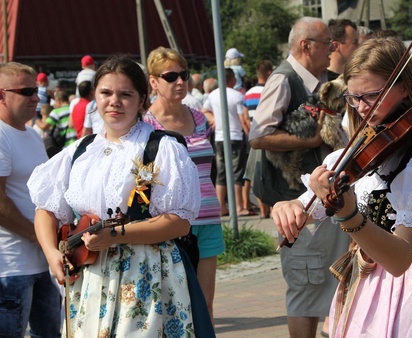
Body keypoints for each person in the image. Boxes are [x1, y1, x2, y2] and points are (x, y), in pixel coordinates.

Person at [272, 36, 412, 337]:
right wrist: (289, 206)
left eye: (372, 95)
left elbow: (400, 258)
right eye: (353, 97)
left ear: (403, 88)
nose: (361, 107)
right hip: (365, 283)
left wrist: (349, 217)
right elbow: (310, 206)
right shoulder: (356, 152)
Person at [27, 55, 214, 337]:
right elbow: (46, 208)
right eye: (106, 93)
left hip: (146, 274)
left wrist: (116, 236)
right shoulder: (79, 151)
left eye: (125, 94)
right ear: (95, 97)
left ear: (142, 100)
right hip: (89, 275)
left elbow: (179, 221)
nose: (114, 101)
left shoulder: (161, 148)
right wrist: (52, 253)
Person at [249, 17, 350, 338]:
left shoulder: (326, 79)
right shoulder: (283, 79)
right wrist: (309, 141)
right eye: (328, 44)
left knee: (330, 286)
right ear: (306, 46)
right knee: (305, 289)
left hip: (325, 198)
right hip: (295, 203)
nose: (332, 49)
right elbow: (259, 136)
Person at [143, 46, 224, 324]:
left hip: (208, 218)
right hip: (170, 222)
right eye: (170, 76)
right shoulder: (146, 125)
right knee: (173, 307)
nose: (180, 81)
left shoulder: (199, 117)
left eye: (184, 74)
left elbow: (209, 167)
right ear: (153, 81)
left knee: (205, 307)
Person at [0, 62, 61, 337]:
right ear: (2, 94)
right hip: (11, 265)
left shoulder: (33, 135)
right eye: (26, 91)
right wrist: (41, 236)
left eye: (36, 90)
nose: (36, 98)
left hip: (40, 261)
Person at [203, 68, 249, 217]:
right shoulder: (237, 96)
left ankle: (221, 207)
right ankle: (238, 207)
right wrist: (249, 135)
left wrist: (214, 120)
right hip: (235, 136)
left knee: (221, 174)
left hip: (220, 138)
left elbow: (204, 110)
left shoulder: (213, 95)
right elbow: (243, 119)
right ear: (232, 79)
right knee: (237, 174)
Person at [244, 60, 273, 219]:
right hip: (269, 136)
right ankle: (271, 209)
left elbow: (244, 117)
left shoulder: (248, 93)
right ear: (269, 72)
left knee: (256, 173)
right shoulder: (270, 90)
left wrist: (250, 134)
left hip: (253, 137)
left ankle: (263, 211)